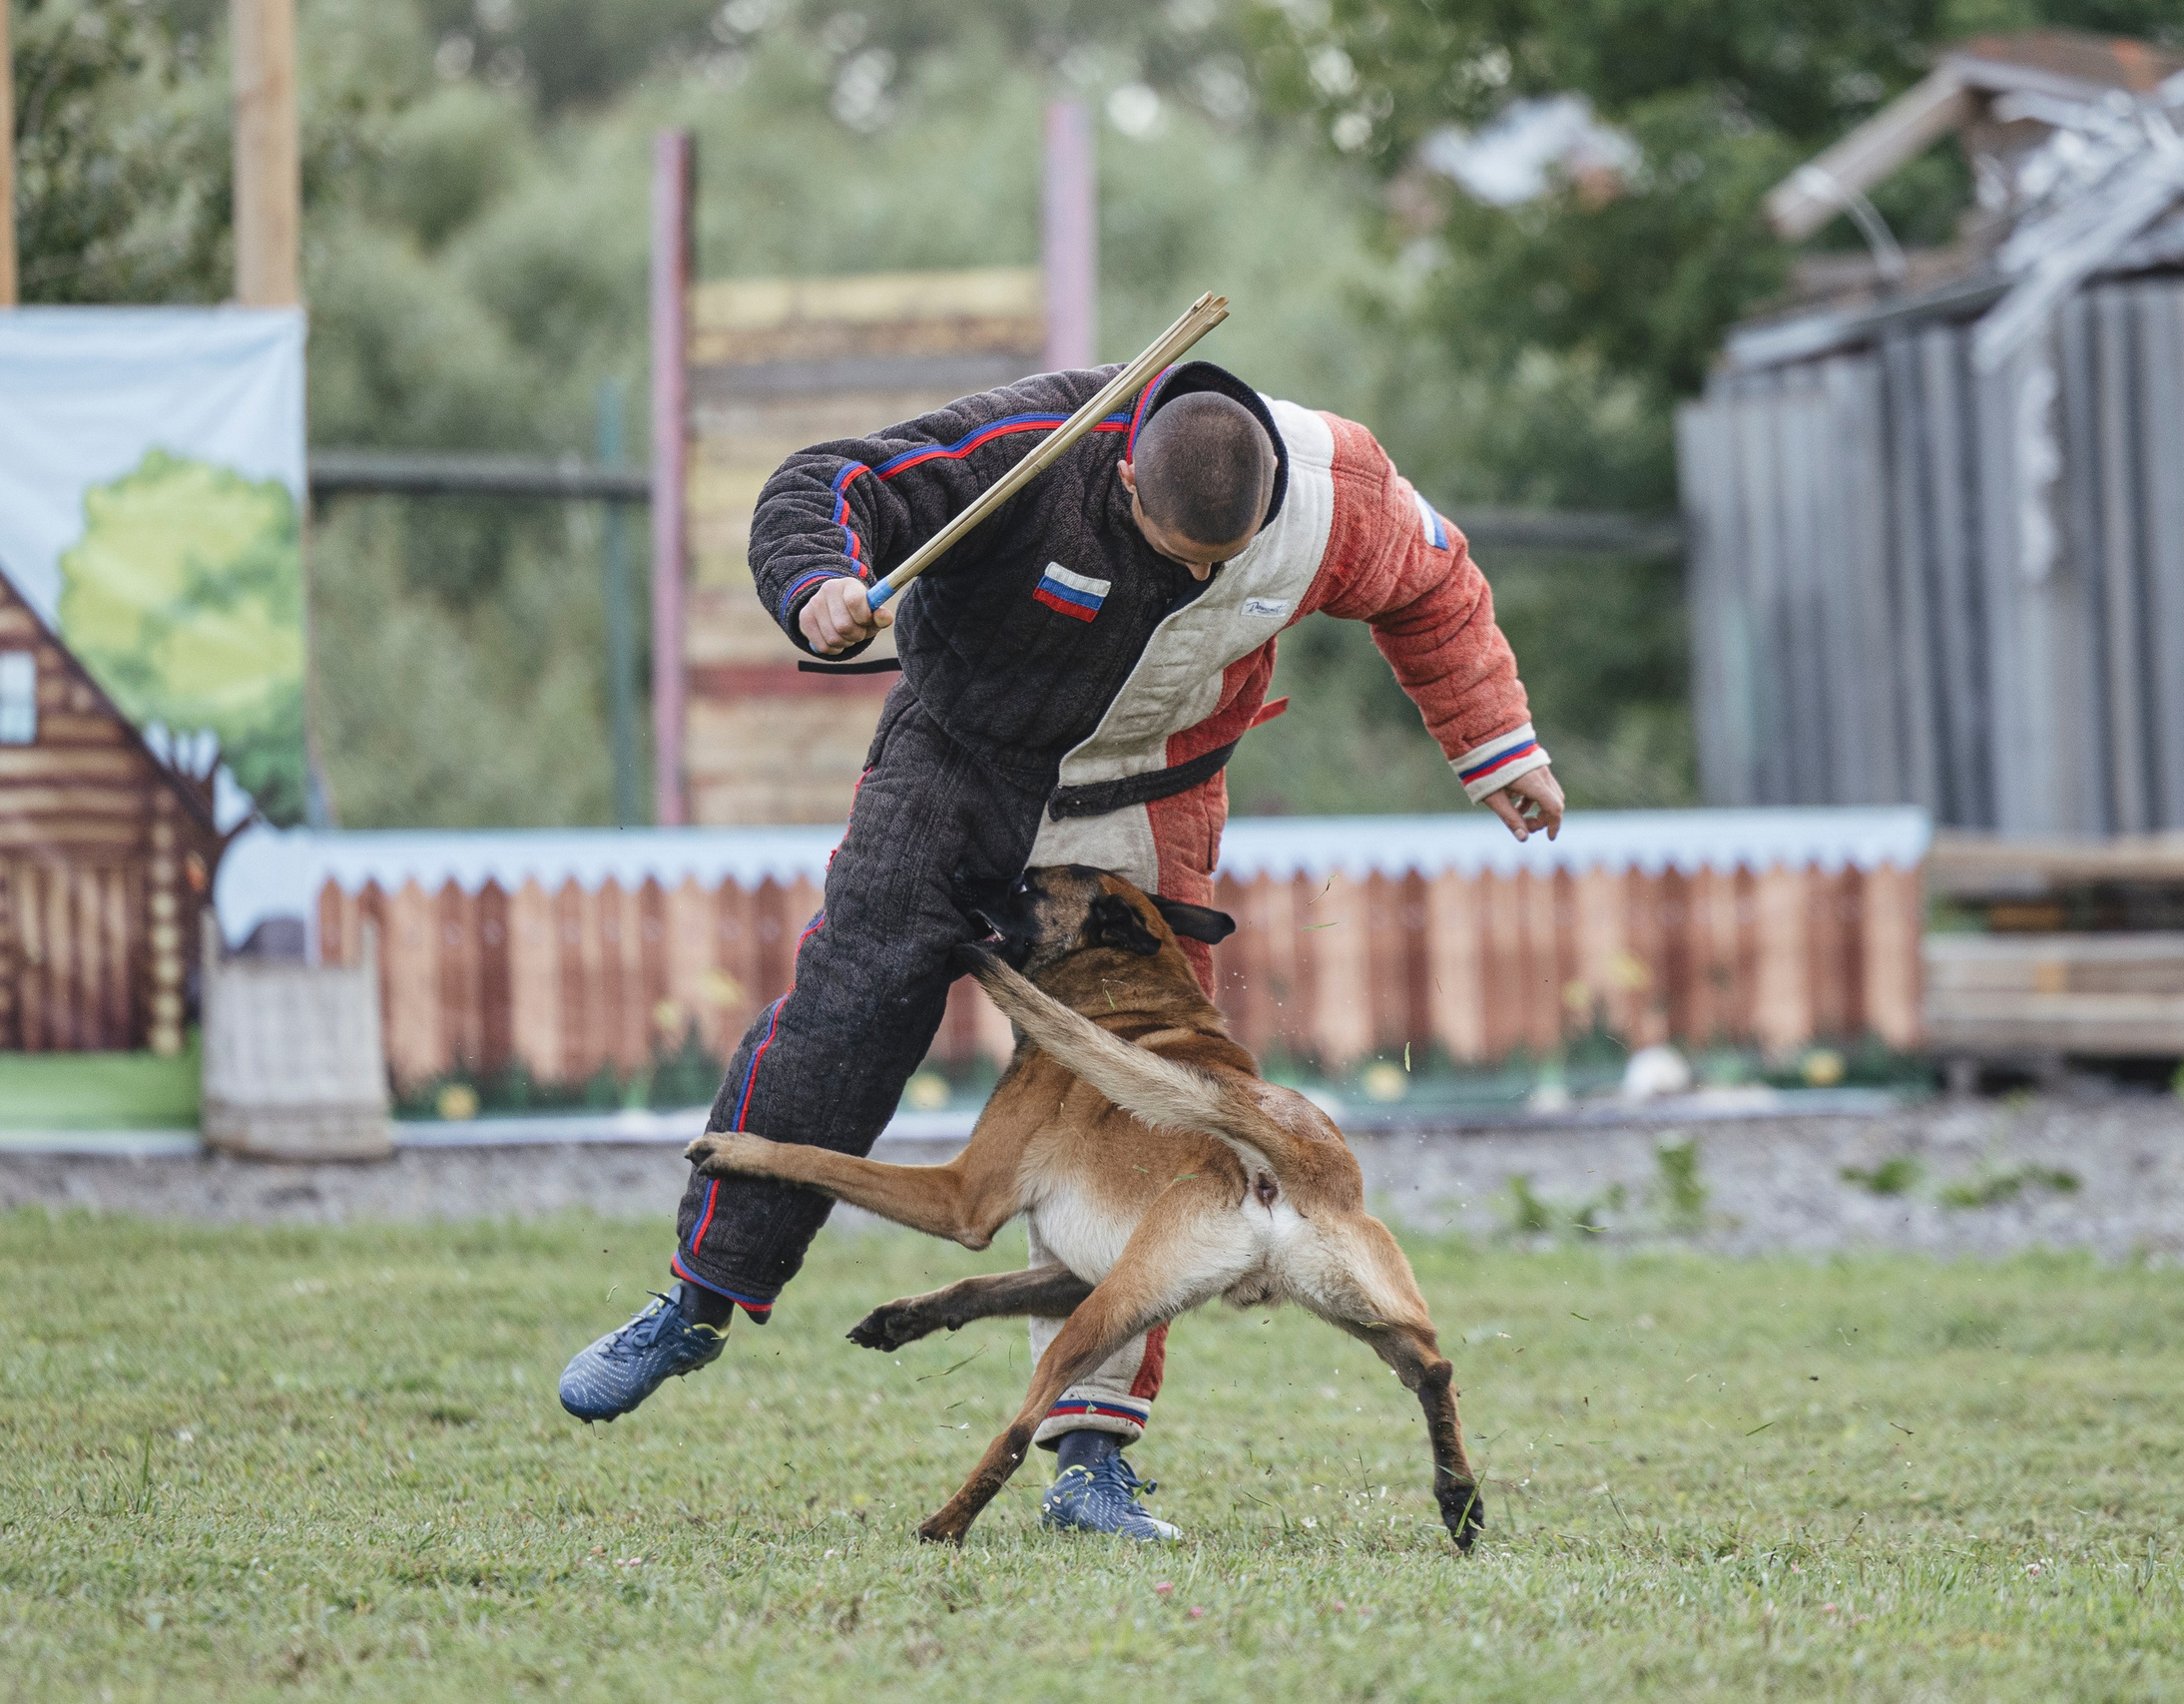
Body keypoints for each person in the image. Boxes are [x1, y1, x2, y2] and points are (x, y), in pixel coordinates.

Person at [559, 358, 1566, 1539]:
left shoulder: (1337, 493)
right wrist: (818, 586)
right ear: (1124, 474)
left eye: (1218, 563)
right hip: (958, 761)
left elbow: (1436, 591)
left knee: (1159, 1117)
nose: (1194, 575)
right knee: (855, 1006)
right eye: (1171, 547)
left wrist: (1499, 746)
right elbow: (825, 484)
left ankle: (1089, 1456)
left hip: (1148, 796)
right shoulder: (1034, 447)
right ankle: (700, 1298)